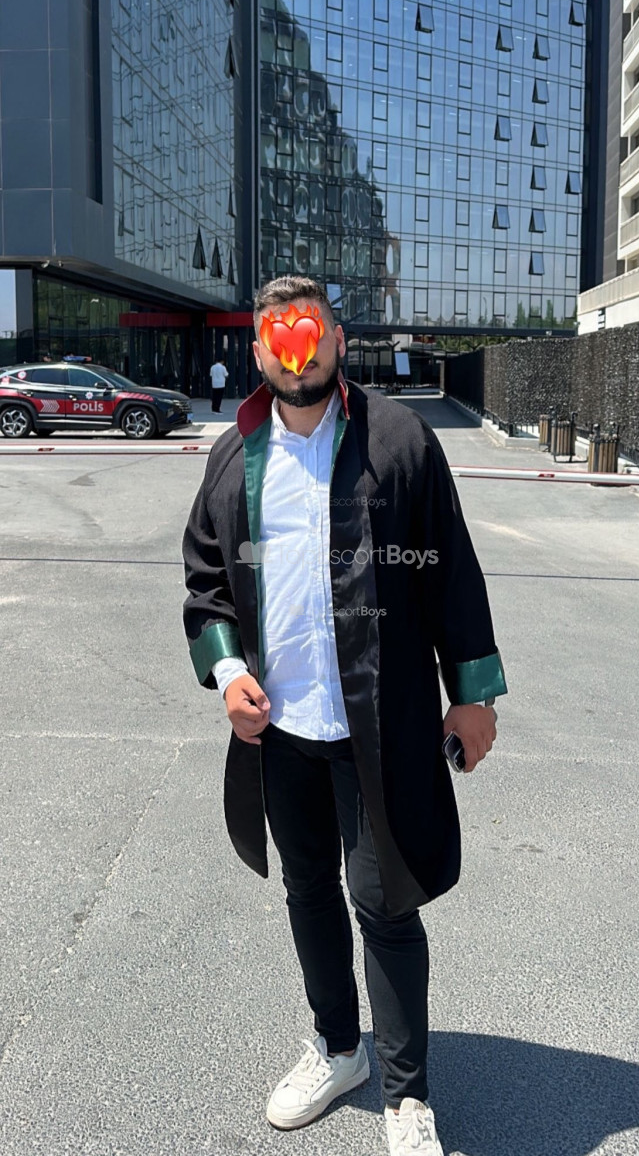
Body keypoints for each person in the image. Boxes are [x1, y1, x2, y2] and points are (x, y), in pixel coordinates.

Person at [182, 276, 507, 1156]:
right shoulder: (235, 454)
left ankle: (406, 1093)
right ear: (260, 351)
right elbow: (206, 583)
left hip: (378, 723)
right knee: (307, 889)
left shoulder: (397, 440)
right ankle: (336, 1047)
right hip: (281, 730)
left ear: (334, 339)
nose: (298, 353)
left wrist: (471, 694)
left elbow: (449, 568)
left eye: (311, 332)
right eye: (279, 339)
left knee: (385, 903)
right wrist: (228, 673)